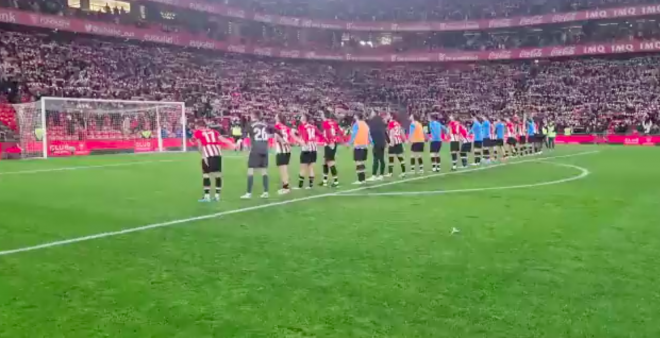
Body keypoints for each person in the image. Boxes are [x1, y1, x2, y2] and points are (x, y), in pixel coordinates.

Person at [241, 111, 280, 199]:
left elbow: (244, 134)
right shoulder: (265, 124)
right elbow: (275, 130)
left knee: (250, 170)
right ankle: (266, 192)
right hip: (265, 150)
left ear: (253, 115)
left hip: (255, 149)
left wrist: (240, 141)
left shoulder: (250, 124)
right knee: (264, 171)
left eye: (251, 114)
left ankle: (248, 193)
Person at [193, 121, 234, 202]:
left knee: (206, 175)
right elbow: (223, 139)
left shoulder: (198, 132)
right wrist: (231, 143)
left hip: (207, 154)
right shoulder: (214, 131)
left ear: (199, 127)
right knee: (218, 175)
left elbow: (200, 145)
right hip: (217, 154)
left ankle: (207, 196)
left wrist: (202, 155)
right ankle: (217, 195)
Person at [296, 114, 321, 190]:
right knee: (311, 168)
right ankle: (310, 185)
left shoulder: (302, 127)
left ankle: (300, 186)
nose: (299, 118)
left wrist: (301, 143)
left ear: (303, 119)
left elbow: (304, 137)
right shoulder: (313, 127)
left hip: (306, 148)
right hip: (314, 148)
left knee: (303, 168)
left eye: (300, 117)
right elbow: (319, 134)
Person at [274, 114, 295, 195]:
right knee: (285, 169)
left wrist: (281, 142)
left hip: (281, 150)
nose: (274, 117)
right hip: (287, 150)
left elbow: (276, 136)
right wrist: (288, 145)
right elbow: (290, 137)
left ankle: (285, 188)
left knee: (283, 170)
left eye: (276, 116)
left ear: (278, 118)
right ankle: (285, 186)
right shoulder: (286, 127)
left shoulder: (277, 125)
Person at [320, 111, 342, 187]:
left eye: (322, 114)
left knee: (330, 162)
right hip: (333, 142)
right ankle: (324, 181)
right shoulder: (333, 122)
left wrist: (330, 142)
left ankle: (336, 182)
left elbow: (328, 132)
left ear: (325, 116)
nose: (321, 115)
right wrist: (336, 139)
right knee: (325, 162)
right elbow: (339, 131)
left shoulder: (325, 122)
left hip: (329, 143)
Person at [349, 113, 371, 185]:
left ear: (357, 116)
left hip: (358, 145)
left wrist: (349, 143)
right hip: (365, 146)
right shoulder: (365, 124)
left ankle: (360, 180)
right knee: (362, 162)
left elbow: (354, 134)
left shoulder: (356, 124)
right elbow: (369, 135)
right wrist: (371, 142)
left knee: (358, 162)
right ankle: (363, 179)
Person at [367, 110, 388, 181]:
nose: (371, 114)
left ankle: (374, 175)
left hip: (377, 142)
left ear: (375, 114)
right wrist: (388, 141)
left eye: (372, 112)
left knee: (375, 159)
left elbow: (371, 132)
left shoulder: (373, 121)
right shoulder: (381, 121)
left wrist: (371, 141)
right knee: (381, 159)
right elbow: (385, 132)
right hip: (382, 142)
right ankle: (381, 175)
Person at [385, 112, 407, 178]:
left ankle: (390, 173)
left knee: (391, 157)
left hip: (393, 142)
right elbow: (401, 132)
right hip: (398, 142)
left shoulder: (391, 123)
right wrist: (404, 141)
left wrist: (391, 143)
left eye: (388, 115)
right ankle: (403, 172)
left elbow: (392, 133)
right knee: (400, 157)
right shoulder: (397, 123)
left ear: (391, 116)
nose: (387, 116)